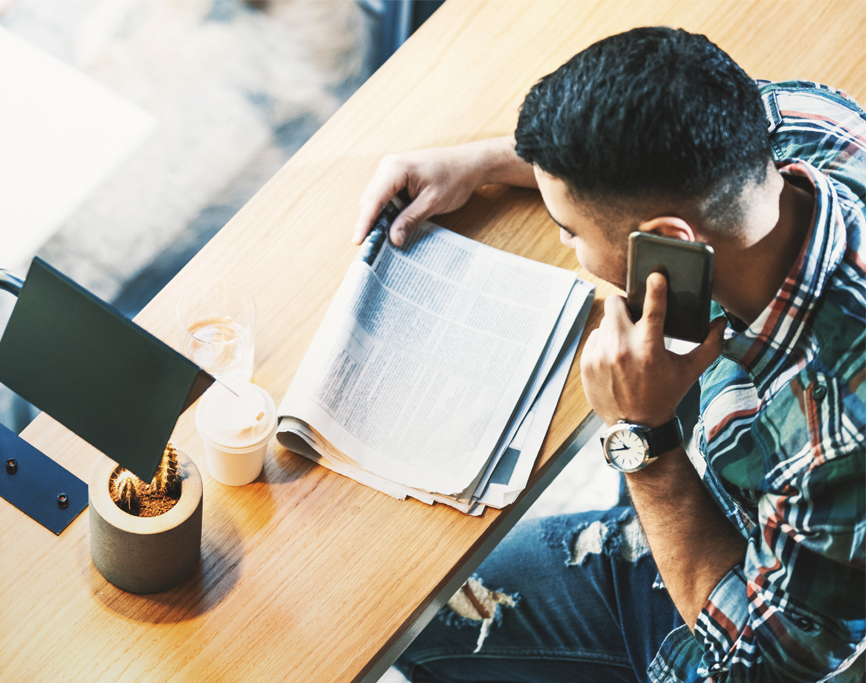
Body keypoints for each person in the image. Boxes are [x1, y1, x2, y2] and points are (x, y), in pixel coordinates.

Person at [354, 27, 865, 683]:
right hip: (769, 491)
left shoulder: (837, 438)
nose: (565, 239)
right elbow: (656, 149)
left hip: (757, 603)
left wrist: (644, 440)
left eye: (569, 231)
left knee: (419, 612)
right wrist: (479, 164)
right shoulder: (815, 129)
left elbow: (759, 666)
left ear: (667, 242)